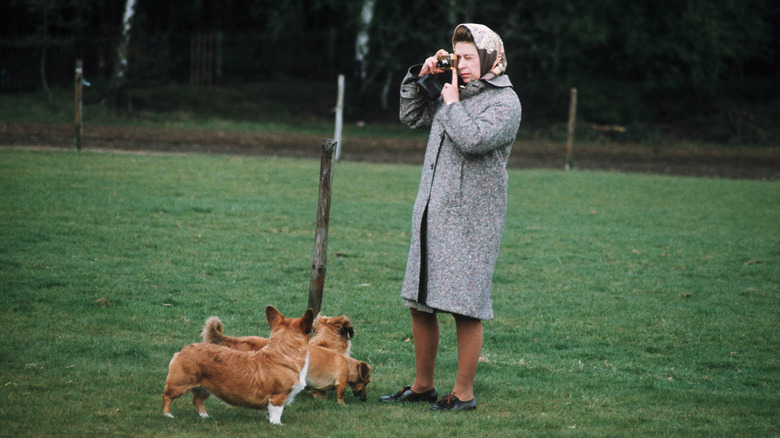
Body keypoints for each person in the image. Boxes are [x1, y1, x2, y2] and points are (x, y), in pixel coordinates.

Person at [379, 23, 521, 411]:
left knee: (464, 306)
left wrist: (453, 101)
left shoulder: (505, 103)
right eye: (458, 57)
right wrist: (420, 78)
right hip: (432, 210)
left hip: (473, 219)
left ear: (491, 57)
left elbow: (473, 140)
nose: (464, 65)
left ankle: (463, 394)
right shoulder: (449, 90)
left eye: (471, 58)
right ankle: (422, 385)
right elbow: (410, 116)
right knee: (421, 301)